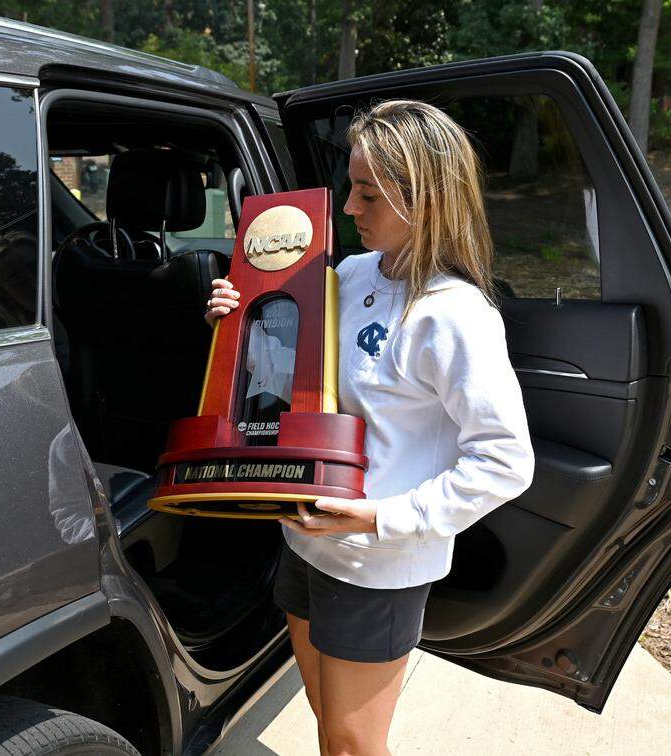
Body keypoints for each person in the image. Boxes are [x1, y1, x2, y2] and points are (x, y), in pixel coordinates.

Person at [204, 99, 535, 756]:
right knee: (328, 719)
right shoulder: (350, 275)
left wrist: (376, 520)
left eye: (367, 195)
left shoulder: (455, 316)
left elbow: (505, 460)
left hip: (376, 564)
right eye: (349, 187)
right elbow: (297, 377)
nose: (348, 208)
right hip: (304, 542)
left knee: (354, 744)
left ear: (428, 202)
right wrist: (237, 324)